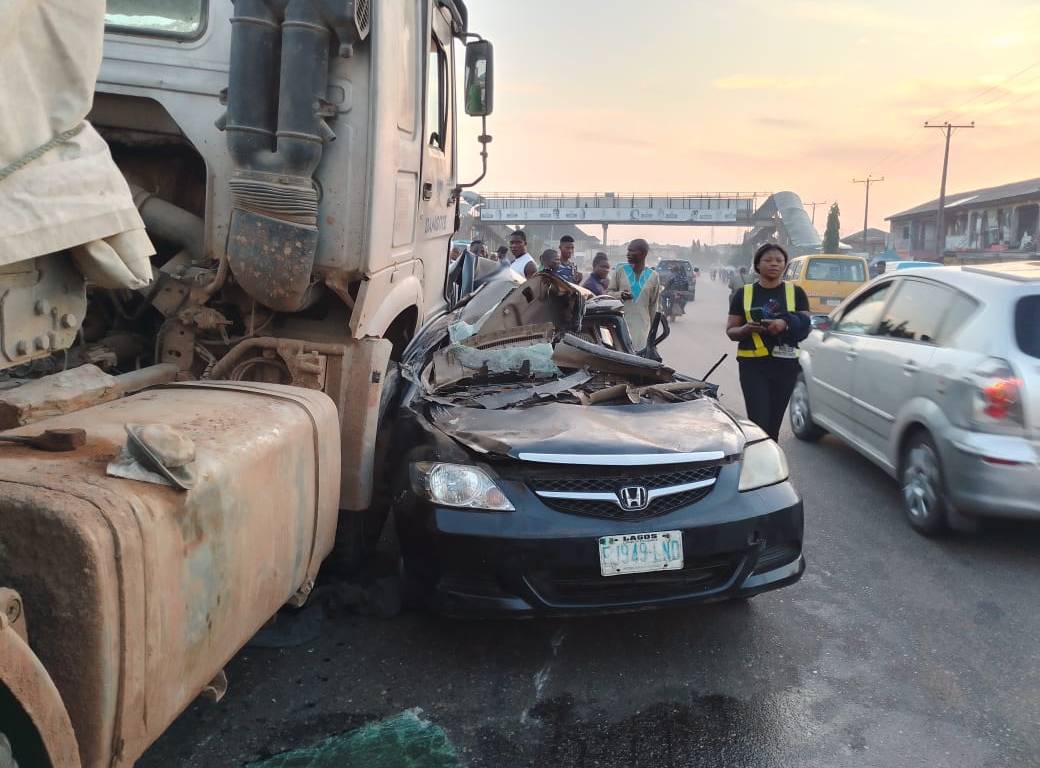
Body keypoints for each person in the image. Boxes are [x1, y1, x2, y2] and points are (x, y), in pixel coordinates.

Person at [726, 243, 811, 442]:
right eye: (768, 260)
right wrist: (746, 329)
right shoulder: (743, 293)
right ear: (757, 265)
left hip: (786, 366)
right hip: (753, 367)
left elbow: (806, 327)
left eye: (779, 260)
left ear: (785, 265)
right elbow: (731, 331)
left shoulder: (796, 293)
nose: (774, 264)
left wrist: (785, 324)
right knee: (758, 423)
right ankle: (758, 464)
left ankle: (768, 466)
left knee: (773, 425)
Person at [608, 238, 661, 354]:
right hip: (620, 327)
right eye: (628, 251)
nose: (628, 254)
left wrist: (652, 335)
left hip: (642, 330)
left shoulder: (653, 276)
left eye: (632, 251)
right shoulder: (620, 272)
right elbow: (608, 295)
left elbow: (653, 306)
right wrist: (620, 295)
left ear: (643, 254)